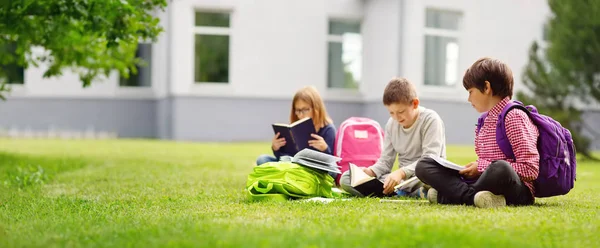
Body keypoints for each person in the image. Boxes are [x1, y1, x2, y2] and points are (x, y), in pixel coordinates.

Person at [415, 57, 540, 208]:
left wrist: (481, 167)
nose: (468, 98)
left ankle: (451, 196)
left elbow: (530, 169)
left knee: (500, 168)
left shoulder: (514, 116)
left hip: (515, 189)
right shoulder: (484, 120)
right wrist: (476, 169)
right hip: (483, 184)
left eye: (471, 91)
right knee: (424, 165)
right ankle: (474, 197)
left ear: (486, 87)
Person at [339, 77, 446, 197]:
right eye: (391, 113)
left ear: (415, 104)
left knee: (431, 178)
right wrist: (370, 172)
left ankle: (406, 192)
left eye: (401, 112)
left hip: (424, 177)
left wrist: (402, 172)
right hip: (402, 181)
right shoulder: (391, 124)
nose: (397, 117)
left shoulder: (430, 120)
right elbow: (385, 161)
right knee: (346, 178)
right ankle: (406, 193)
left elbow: (430, 160)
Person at [256, 86, 337, 168]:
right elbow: (284, 157)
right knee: (262, 159)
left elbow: (331, 163)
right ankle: (291, 176)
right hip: (292, 165)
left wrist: (325, 149)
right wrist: (276, 148)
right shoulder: (294, 129)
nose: (301, 115)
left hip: (313, 169)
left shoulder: (328, 129)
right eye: (298, 110)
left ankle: (288, 177)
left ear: (316, 108)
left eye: (305, 109)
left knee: (332, 169)